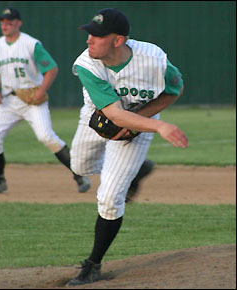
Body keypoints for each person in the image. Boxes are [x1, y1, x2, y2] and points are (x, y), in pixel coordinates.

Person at [66, 8, 188, 286]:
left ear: (118, 40)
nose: (89, 40)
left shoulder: (154, 59)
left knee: (109, 198)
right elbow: (115, 115)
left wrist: (145, 121)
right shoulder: (87, 64)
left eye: (97, 36)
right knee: (80, 167)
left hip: (141, 123)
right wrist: (161, 126)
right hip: (95, 117)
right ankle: (138, 170)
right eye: (89, 34)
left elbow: (175, 88)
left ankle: (93, 264)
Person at [0, 8, 91, 194]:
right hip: (9, 101)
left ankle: (78, 174)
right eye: (2, 22)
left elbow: (52, 68)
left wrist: (41, 91)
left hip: (33, 100)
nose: (5, 25)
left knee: (46, 136)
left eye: (9, 22)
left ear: (19, 23)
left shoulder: (31, 44)